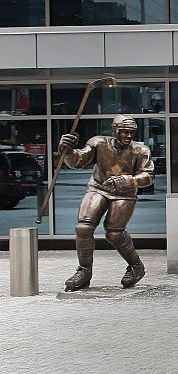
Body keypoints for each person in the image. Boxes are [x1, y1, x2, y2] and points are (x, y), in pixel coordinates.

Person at [58, 115, 155, 291]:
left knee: (114, 234)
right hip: (98, 187)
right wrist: (68, 150)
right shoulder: (99, 143)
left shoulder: (140, 150)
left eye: (131, 132)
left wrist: (128, 180)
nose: (128, 136)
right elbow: (78, 161)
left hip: (124, 194)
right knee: (83, 228)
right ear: (115, 131)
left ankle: (136, 266)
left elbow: (148, 175)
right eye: (124, 132)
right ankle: (84, 271)